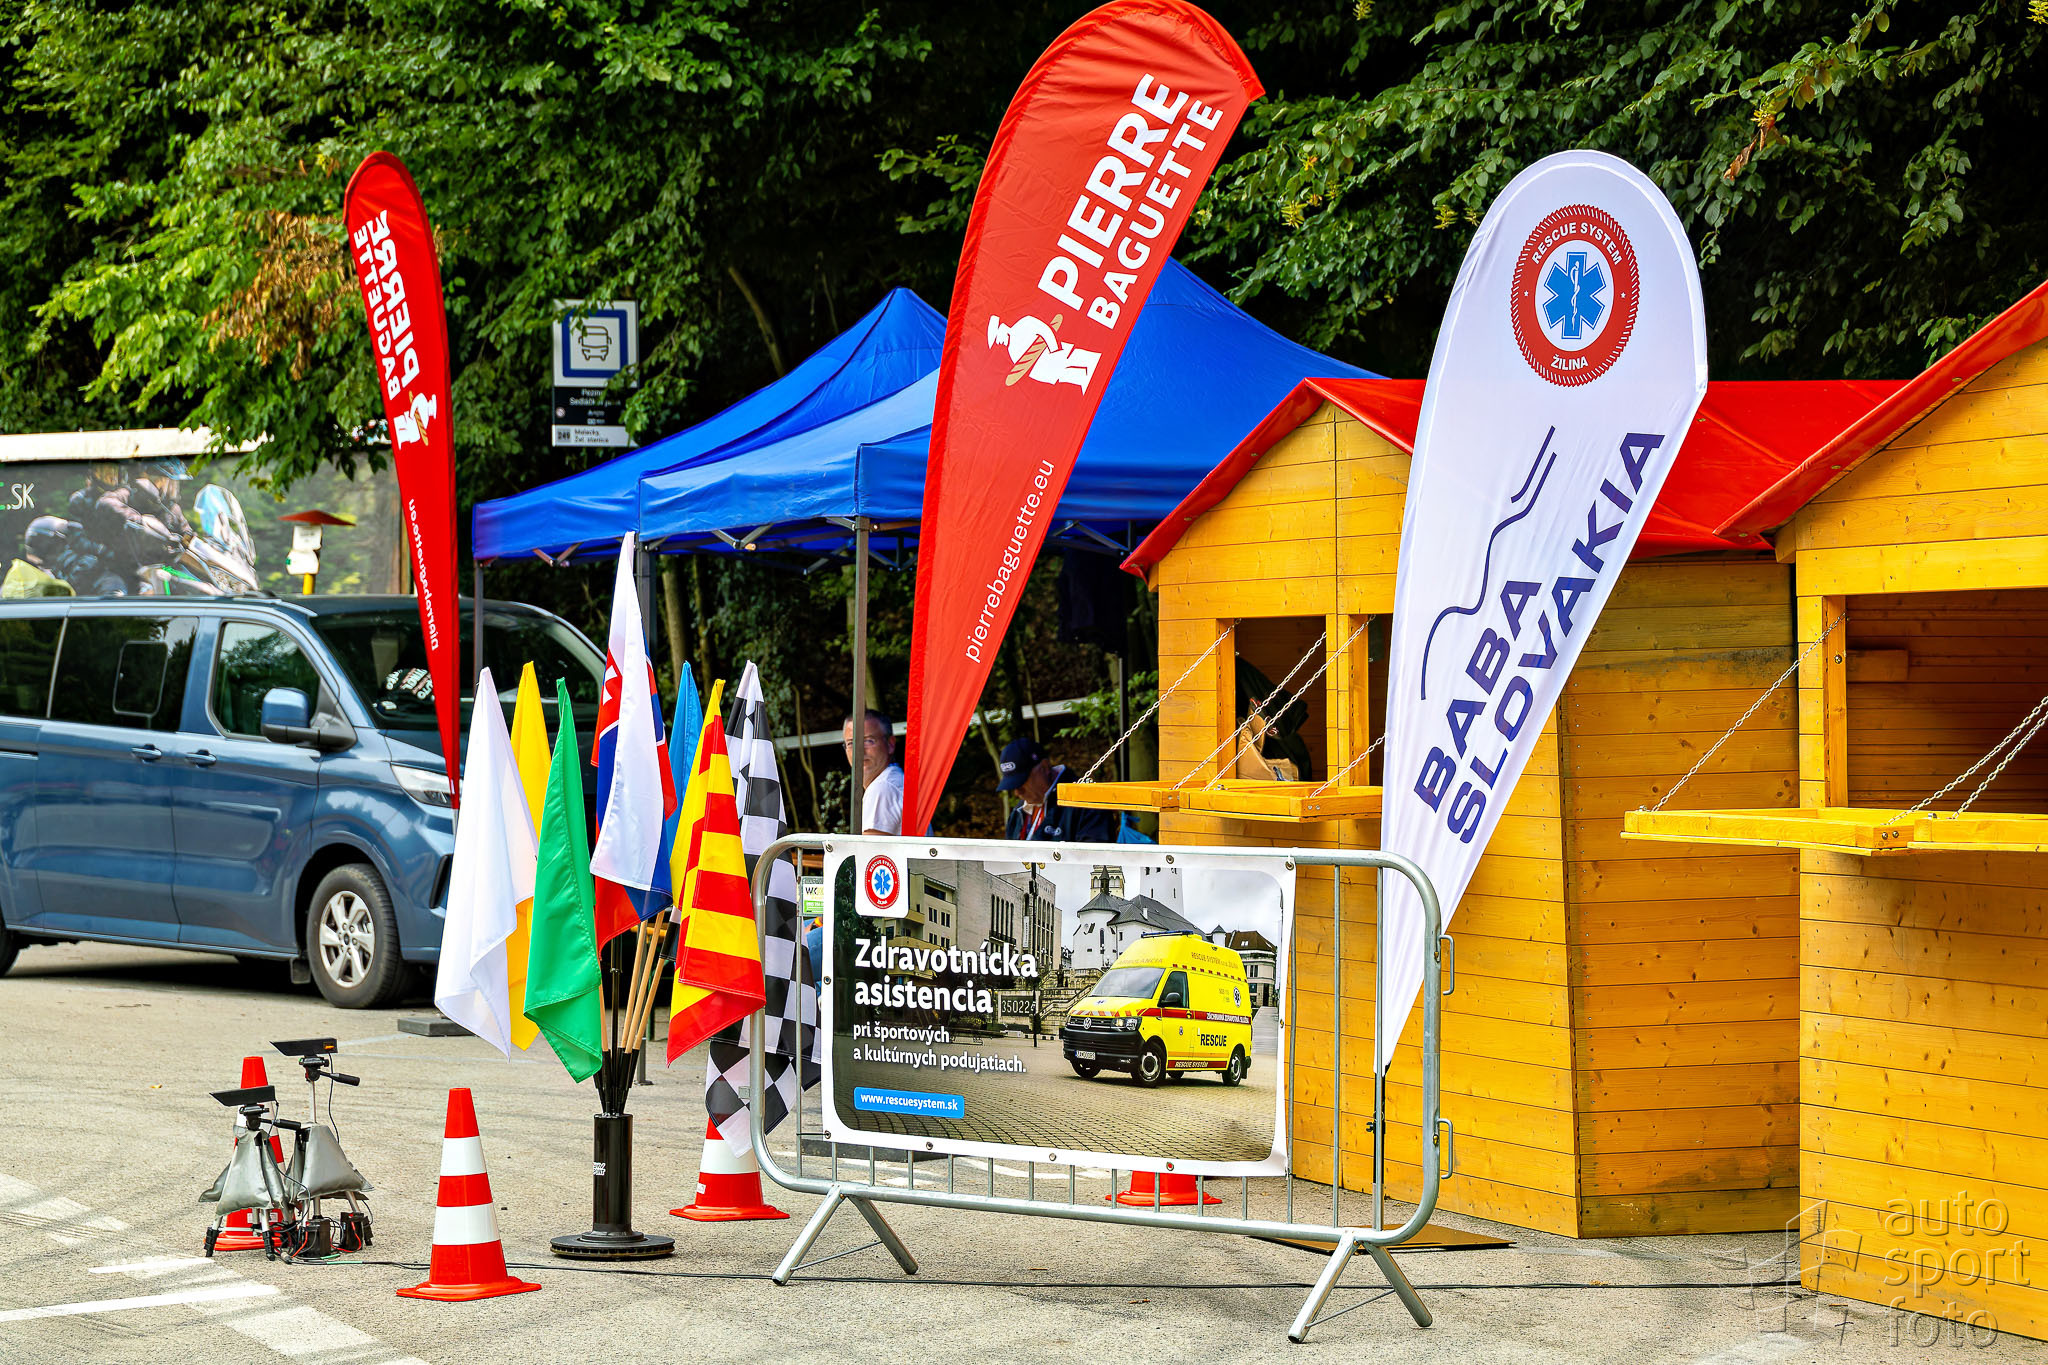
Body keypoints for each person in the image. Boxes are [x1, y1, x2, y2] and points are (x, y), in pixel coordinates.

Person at [999, 736, 1121, 843]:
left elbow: (1095, 857)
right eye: (1013, 786)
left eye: (1022, 782)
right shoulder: (1019, 812)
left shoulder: (1086, 803)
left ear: (1045, 767)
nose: (1017, 792)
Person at [843, 707, 904, 835]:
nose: (859, 751)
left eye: (868, 741)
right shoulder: (894, 779)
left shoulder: (883, 788)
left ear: (890, 744)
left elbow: (869, 848)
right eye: (851, 743)